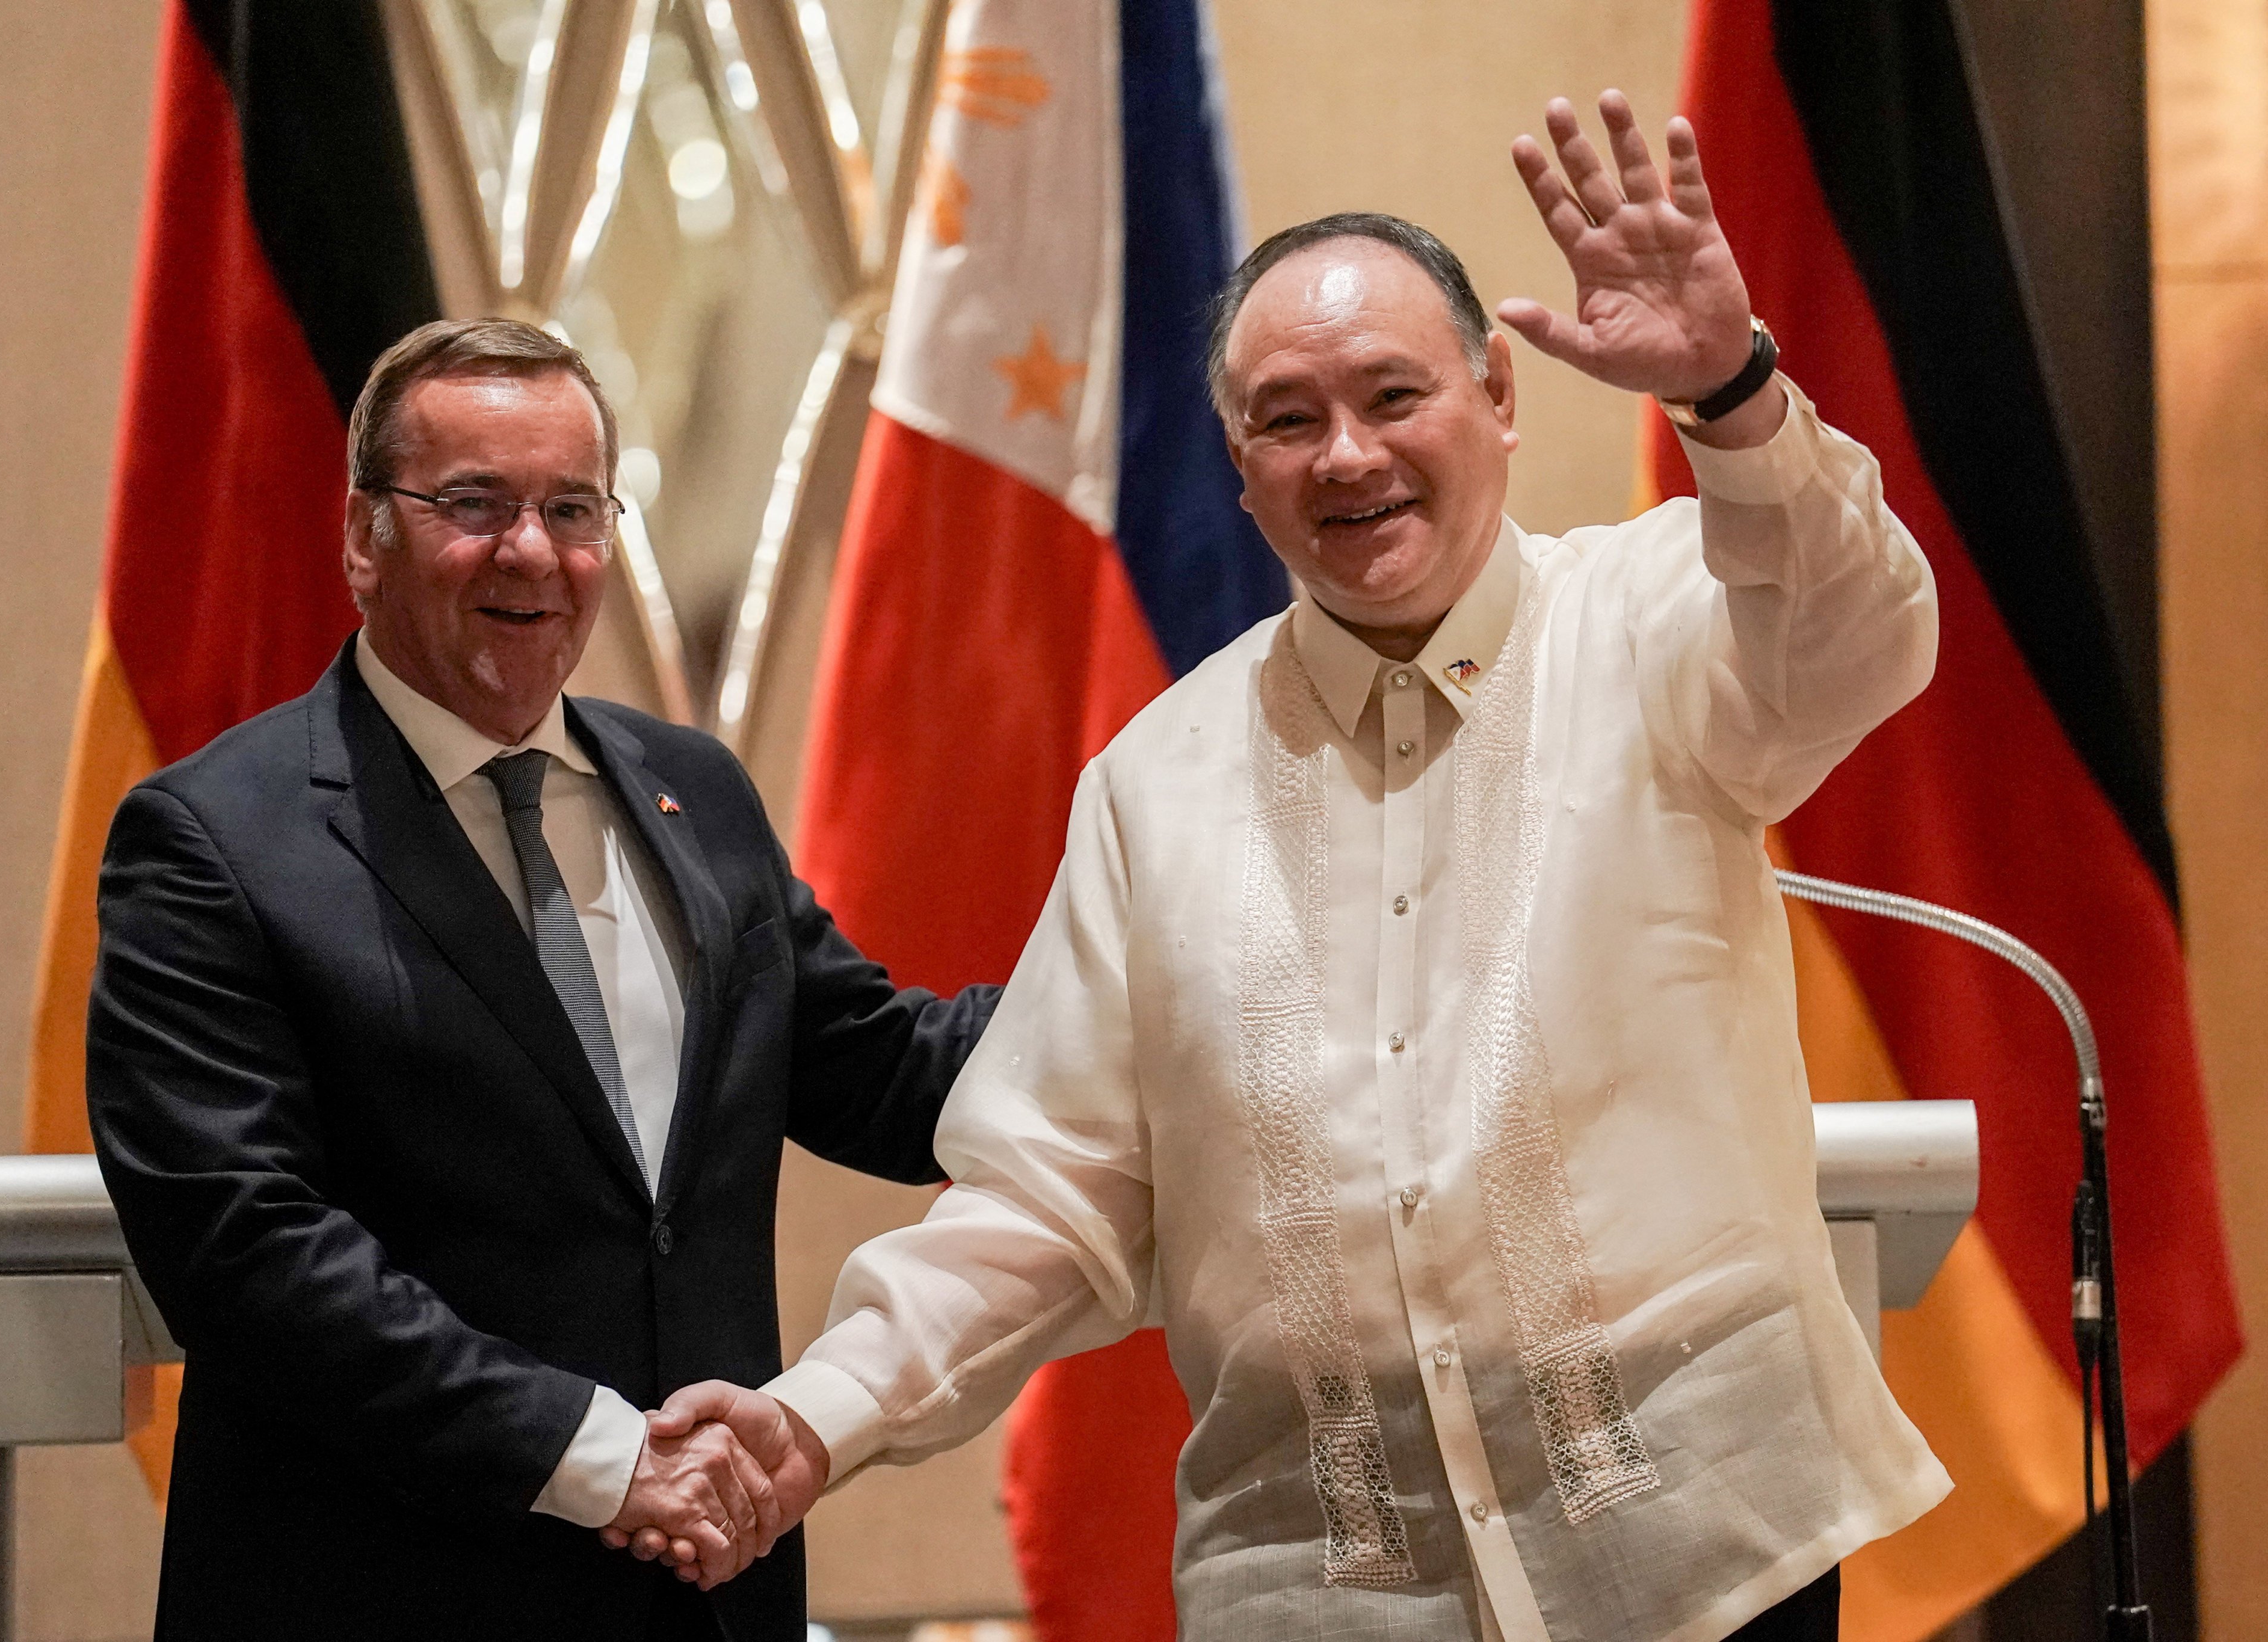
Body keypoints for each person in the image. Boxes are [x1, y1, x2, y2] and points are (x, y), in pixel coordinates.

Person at [665, 91, 1952, 1640]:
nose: (1346, 457)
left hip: (1694, 1555)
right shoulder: (1155, 783)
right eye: (1288, 419)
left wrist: (1731, 397)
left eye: (1393, 397)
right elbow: (1049, 1191)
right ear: (1236, 464)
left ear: (1495, 394)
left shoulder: (1654, 620)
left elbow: (1856, 641)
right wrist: (816, 1415)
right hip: (1323, 1590)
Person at [87, 316, 996, 1641]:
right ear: (361, 537)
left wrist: (1164, 978)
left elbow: (885, 1072)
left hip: (703, 1590)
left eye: (572, 507)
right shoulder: (213, 843)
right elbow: (246, 1250)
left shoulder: (696, 792)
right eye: (472, 505)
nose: (532, 552)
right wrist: (602, 1460)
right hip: (382, 1591)